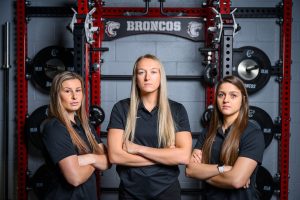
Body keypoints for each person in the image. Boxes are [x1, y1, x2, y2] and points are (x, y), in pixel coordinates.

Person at [107, 54, 192, 200]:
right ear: (135, 77)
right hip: (130, 192)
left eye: (153, 72)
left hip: (167, 191)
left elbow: (183, 156)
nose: (147, 77)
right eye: (141, 72)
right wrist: (165, 155)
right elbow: (115, 156)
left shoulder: (177, 110)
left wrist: (138, 149)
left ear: (161, 76)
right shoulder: (121, 108)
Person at [186, 75, 265, 200]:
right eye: (221, 95)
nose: (226, 100)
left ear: (243, 99)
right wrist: (225, 169)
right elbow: (190, 170)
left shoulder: (253, 134)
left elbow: (236, 181)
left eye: (233, 95)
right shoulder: (208, 132)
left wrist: (203, 173)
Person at [41, 71, 110, 200]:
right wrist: (95, 159)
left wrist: (87, 159)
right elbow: (75, 178)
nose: (74, 96)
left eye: (78, 90)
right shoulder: (55, 128)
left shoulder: (85, 124)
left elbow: (107, 161)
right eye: (67, 91)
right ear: (57, 95)